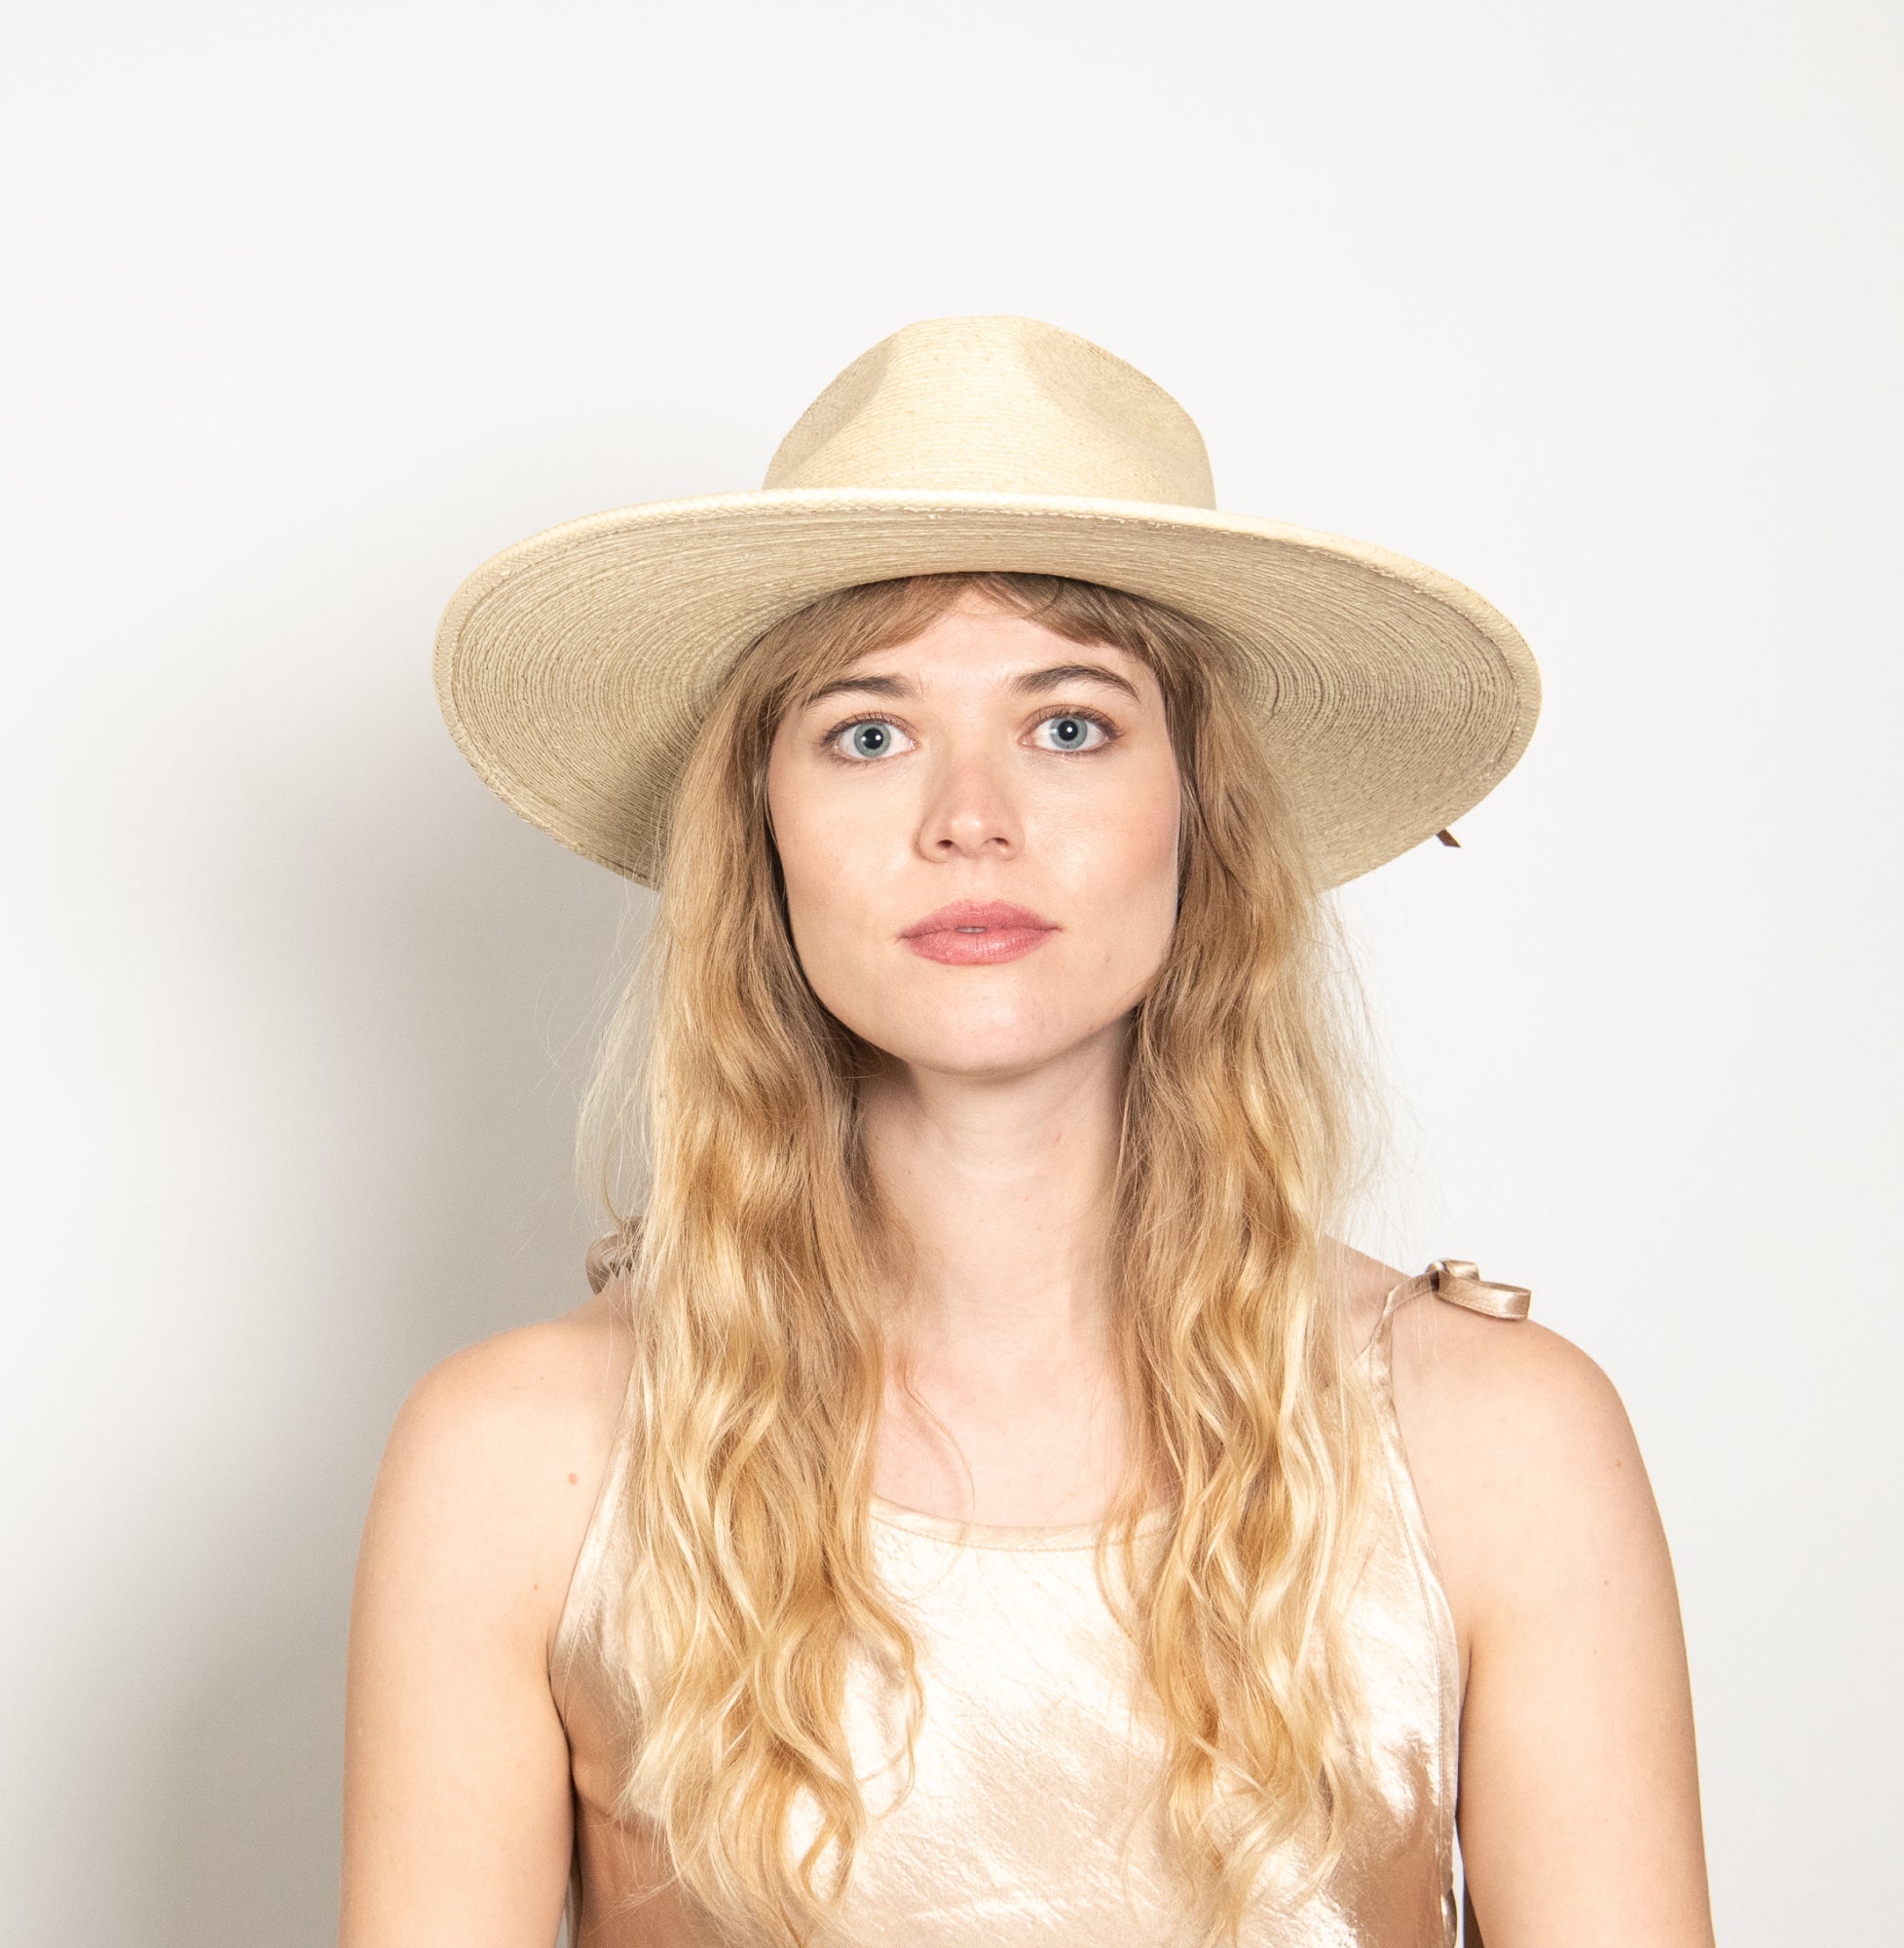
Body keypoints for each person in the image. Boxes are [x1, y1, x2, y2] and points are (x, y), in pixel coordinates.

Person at [341, 318, 1714, 1947]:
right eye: (869, 731)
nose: (968, 817)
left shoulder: (1499, 1444)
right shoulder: (516, 1465)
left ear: (1203, 815)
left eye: (1071, 725)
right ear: (760, 835)